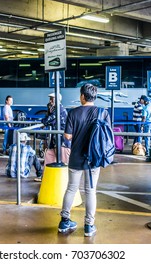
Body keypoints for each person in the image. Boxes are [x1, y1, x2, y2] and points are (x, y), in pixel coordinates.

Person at [58, 83, 109, 237]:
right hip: (94, 157)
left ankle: (64, 221)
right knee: (90, 191)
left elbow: (67, 136)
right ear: (94, 96)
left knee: (71, 189)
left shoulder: (73, 113)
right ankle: (89, 226)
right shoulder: (103, 113)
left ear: (82, 96)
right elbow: (107, 135)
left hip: (76, 157)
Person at [42, 92, 71, 168]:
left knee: (65, 163)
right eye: (50, 99)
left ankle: (67, 179)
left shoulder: (59, 109)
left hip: (62, 141)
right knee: (49, 157)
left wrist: (45, 122)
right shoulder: (55, 109)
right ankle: (45, 177)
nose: (50, 101)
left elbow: (47, 120)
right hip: (56, 140)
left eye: (52, 99)